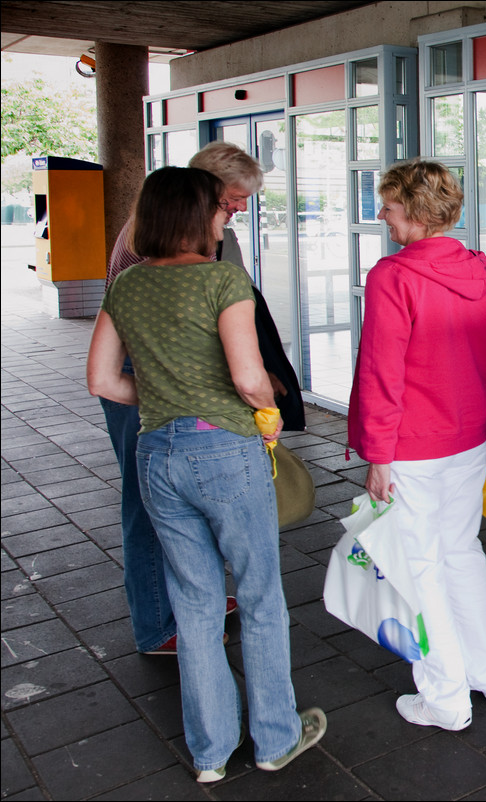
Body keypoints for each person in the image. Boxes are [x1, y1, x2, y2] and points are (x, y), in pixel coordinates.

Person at [86, 167, 326, 782]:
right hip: (225, 452)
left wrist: (167, 392)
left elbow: (103, 382)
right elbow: (249, 378)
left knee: (193, 605)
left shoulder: (127, 284)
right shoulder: (223, 279)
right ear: (197, 218)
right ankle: (275, 738)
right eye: (219, 210)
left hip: (155, 455)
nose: (226, 218)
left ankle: (210, 755)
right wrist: (266, 416)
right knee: (260, 596)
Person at [101, 142, 303, 656]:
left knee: (171, 510)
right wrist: (261, 402)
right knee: (147, 513)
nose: (237, 210)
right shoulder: (178, 255)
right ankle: (156, 625)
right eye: (232, 200)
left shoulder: (164, 244)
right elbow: (206, 347)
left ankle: (195, 608)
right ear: (204, 193)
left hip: (158, 389)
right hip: (169, 386)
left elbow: (99, 375)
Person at [347, 159, 486, 732]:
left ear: (414, 212)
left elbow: (381, 372)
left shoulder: (393, 276)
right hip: (469, 436)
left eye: (388, 207)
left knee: (419, 568)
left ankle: (444, 699)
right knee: (461, 551)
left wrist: (377, 454)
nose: (381, 216)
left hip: (412, 444)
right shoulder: (479, 267)